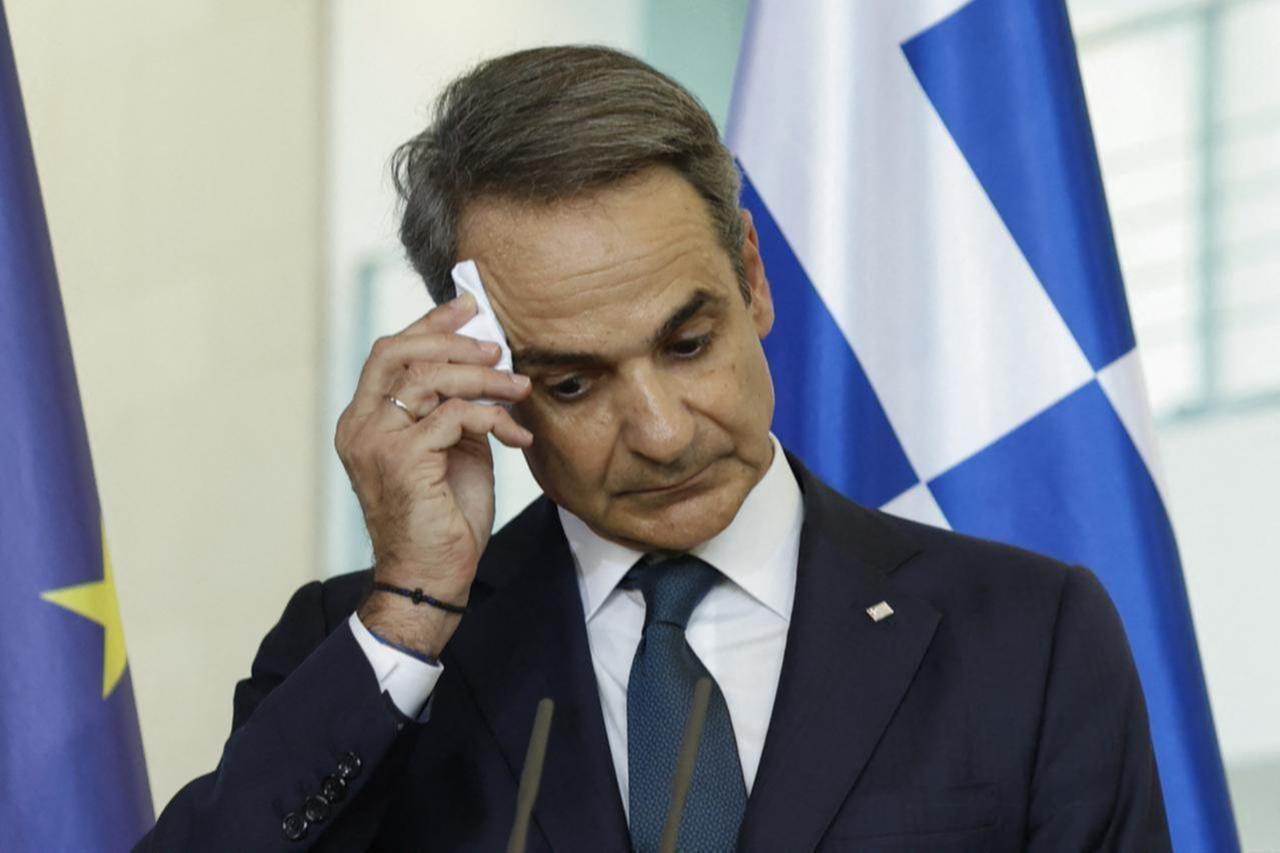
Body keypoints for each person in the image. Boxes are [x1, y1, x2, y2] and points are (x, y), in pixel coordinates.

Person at [138, 46, 1171, 852]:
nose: (663, 432)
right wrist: (412, 611)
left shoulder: (1026, 636)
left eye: (688, 343)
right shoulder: (366, 647)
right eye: (572, 382)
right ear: (473, 367)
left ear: (752, 279)